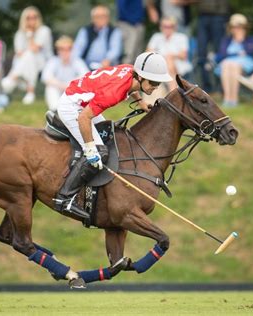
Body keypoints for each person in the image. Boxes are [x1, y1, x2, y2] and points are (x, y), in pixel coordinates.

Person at [53, 52, 172, 220]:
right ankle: (64, 198)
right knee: (99, 152)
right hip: (74, 108)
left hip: (85, 101)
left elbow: (132, 89)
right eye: (153, 82)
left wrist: (141, 102)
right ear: (139, 77)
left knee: (110, 137)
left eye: (158, 83)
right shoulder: (114, 92)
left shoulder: (131, 72)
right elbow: (84, 118)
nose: (155, 87)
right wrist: (90, 149)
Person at [1, 6, 53, 105]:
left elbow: (35, 48)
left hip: (44, 62)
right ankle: (30, 91)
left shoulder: (44, 30)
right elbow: (19, 53)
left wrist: (29, 35)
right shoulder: (19, 33)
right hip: (26, 63)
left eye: (34, 17)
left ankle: (12, 78)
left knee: (30, 54)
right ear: (24, 19)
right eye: (28, 18)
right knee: (29, 57)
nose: (32, 20)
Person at [214, 13, 253, 107]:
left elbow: (251, 51)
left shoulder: (250, 39)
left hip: (245, 64)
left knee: (233, 65)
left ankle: (233, 98)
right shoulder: (226, 40)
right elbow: (221, 55)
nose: (236, 29)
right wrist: (237, 53)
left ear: (244, 28)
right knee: (227, 64)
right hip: (226, 64)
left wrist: (240, 41)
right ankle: (227, 98)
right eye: (234, 27)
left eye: (239, 27)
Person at [41, 36, 88, 111]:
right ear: (58, 50)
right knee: (50, 88)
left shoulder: (77, 61)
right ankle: (55, 110)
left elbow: (86, 76)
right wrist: (61, 85)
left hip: (72, 91)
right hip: (58, 89)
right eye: (62, 49)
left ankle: (77, 110)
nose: (65, 52)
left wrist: (69, 85)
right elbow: (46, 77)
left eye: (68, 49)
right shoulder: (53, 61)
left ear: (72, 50)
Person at [147, 16, 192, 91]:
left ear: (174, 27)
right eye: (165, 26)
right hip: (160, 64)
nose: (167, 29)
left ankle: (172, 91)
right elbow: (148, 52)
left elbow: (184, 55)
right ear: (161, 27)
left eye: (170, 26)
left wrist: (171, 56)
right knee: (167, 62)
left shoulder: (181, 37)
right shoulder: (156, 37)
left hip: (179, 65)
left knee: (169, 61)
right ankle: (172, 93)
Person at [72, 5, 123, 70]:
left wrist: (108, 60)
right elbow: (77, 50)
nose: (101, 19)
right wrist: (78, 63)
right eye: (98, 17)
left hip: (108, 67)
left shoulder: (114, 31)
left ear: (108, 18)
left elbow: (115, 50)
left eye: (103, 16)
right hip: (86, 67)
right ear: (92, 19)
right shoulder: (85, 31)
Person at [196, 0, 230, 93]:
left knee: (220, 53)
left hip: (219, 15)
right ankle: (206, 88)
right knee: (201, 53)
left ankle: (221, 88)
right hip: (203, 15)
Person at [115, 0, 147, 64]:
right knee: (129, 54)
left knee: (138, 54)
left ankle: (135, 73)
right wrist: (133, 21)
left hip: (138, 23)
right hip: (128, 24)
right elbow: (121, 8)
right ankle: (124, 72)